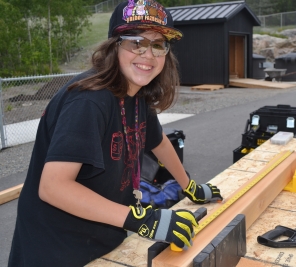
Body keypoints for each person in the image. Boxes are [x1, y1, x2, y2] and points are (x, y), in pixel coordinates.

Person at [8, 1, 223, 266]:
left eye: (158, 45)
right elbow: (53, 187)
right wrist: (142, 220)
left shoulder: (137, 94)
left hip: (105, 240)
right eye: (136, 42)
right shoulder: (89, 101)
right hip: (56, 249)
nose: (148, 54)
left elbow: (159, 142)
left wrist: (188, 186)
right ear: (115, 46)